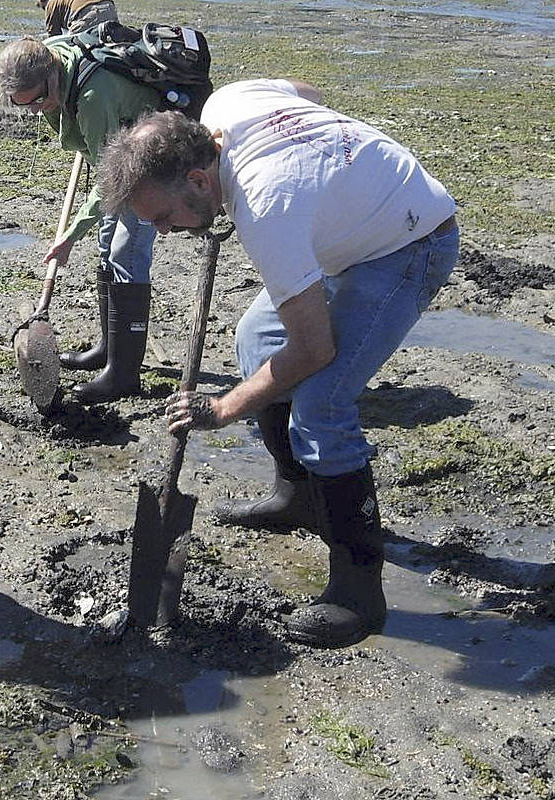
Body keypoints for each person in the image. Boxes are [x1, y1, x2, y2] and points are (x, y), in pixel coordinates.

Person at [98, 79, 459, 648]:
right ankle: (296, 497)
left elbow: (315, 351)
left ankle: (358, 594)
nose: (163, 233)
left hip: (407, 241)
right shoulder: (224, 107)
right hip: (342, 231)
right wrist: (336, 177)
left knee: (321, 404)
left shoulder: (270, 209)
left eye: (165, 217)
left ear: (198, 179)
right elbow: (306, 91)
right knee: (255, 338)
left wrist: (223, 408)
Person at [0, 36, 159, 403]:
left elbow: (110, 179)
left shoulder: (91, 98)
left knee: (126, 253)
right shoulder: (52, 57)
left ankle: (123, 375)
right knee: (105, 243)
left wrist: (69, 236)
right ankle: (106, 350)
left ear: (51, 79)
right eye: (26, 107)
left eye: (38, 101)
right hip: (119, 157)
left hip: (150, 165)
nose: (37, 111)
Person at [35, 0, 119, 38]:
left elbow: (53, 36)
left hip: (88, 14)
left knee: (72, 49)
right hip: (109, 8)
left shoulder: (51, 4)